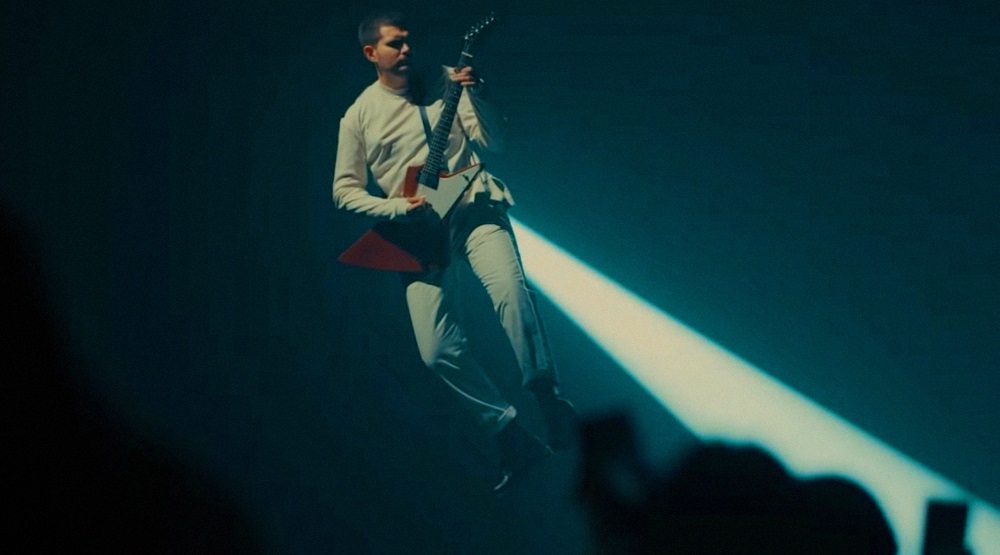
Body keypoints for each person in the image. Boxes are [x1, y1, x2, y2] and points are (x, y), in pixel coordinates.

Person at [332, 11, 577, 494]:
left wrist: (478, 93)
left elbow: (494, 141)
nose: (406, 49)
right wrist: (397, 208)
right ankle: (509, 435)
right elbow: (343, 190)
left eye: (408, 41)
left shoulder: (447, 79)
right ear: (371, 53)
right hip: (418, 229)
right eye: (395, 44)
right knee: (435, 350)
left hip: (471, 206)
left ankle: (547, 398)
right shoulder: (358, 115)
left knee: (511, 292)